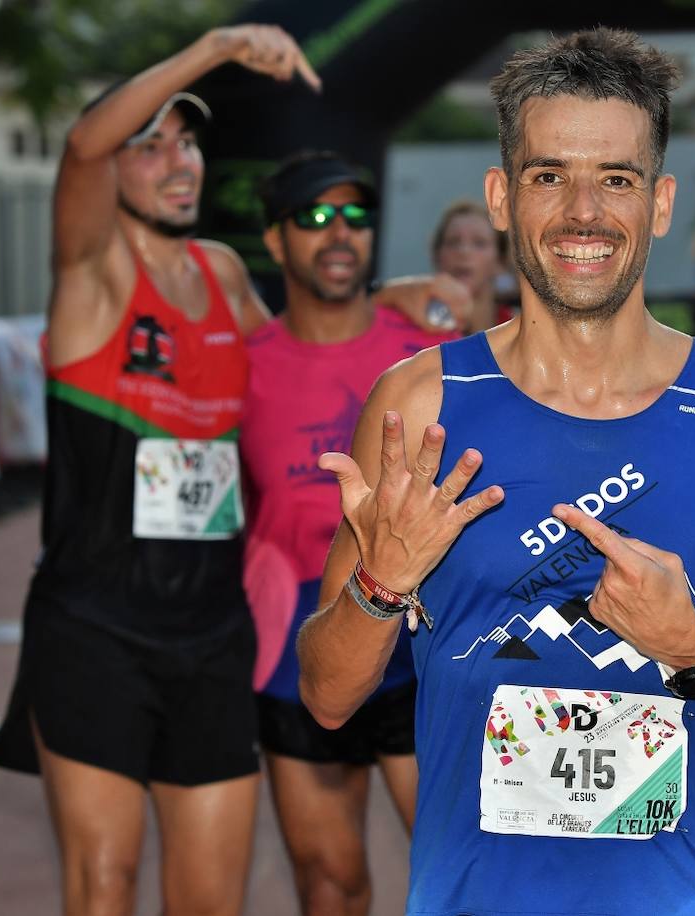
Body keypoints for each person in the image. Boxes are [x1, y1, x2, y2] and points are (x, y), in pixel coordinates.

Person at [295, 28, 695, 916]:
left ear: (659, 203)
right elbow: (325, 694)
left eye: (615, 179)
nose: (584, 212)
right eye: (550, 176)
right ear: (503, 197)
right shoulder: (423, 405)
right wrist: (382, 586)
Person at [0, 26, 319, 915]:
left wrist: (394, 304)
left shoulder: (220, 271)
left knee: (212, 900)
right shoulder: (91, 269)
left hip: (214, 631)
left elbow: (305, 356)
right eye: (152, 145)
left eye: (190, 141)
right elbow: (82, 142)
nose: (180, 162)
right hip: (94, 627)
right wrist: (214, 48)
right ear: (117, 168)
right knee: (103, 886)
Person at [241, 149, 456, 915]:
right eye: (316, 217)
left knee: (464, 880)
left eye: (357, 218)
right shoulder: (246, 363)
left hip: (420, 644)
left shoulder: (428, 348)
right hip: (294, 650)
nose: (340, 234)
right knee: (331, 885)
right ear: (275, 241)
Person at [429, 199, 513, 332]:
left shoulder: (521, 333)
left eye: (479, 243)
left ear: (500, 261)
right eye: (453, 242)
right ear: (437, 256)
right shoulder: (403, 324)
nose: (463, 252)